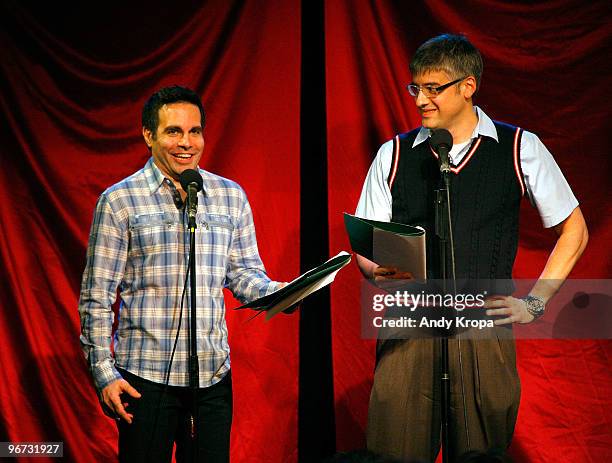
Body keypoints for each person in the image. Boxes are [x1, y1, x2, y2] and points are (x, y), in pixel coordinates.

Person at [355, 34, 588, 461]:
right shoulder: (394, 154)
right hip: (410, 325)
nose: (421, 99)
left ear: (467, 86)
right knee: (394, 452)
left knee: (482, 453)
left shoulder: (519, 147)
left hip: (483, 327)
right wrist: (376, 270)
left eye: (433, 88)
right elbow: (367, 245)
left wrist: (535, 303)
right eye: (416, 88)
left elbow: (574, 230)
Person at [78, 86, 284, 462]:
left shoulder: (229, 196)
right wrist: (104, 373)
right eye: (174, 131)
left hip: (211, 380)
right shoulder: (120, 201)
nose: (187, 142)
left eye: (195, 131)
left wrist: (283, 293)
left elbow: (244, 275)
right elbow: (97, 297)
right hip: (144, 380)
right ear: (148, 135)